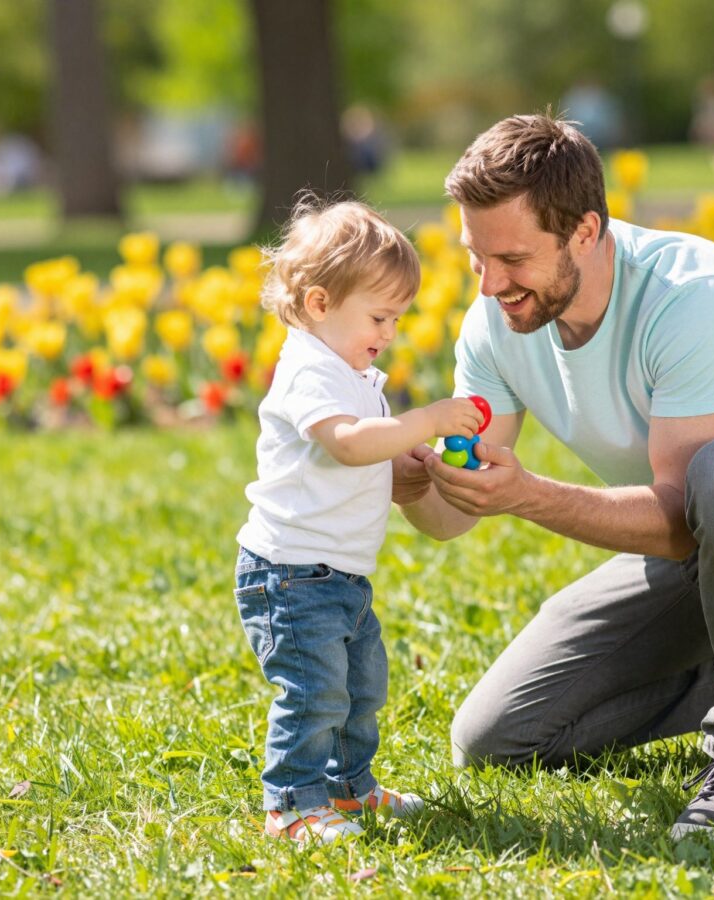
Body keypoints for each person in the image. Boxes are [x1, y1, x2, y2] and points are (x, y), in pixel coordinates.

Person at [393, 115, 714, 839]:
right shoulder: (496, 324)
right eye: (476, 256)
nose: (490, 283)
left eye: (511, 258)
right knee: (498, 738)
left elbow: (676, 514)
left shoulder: (694, 296)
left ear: (585, 231)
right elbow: (454, 516)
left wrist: (530, 494)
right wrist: (413, 482)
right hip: (699, 550)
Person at [234, 197, 484, 843]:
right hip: (290, 577)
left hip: (339, 574)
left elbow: (364, 448)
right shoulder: (307, 371)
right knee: (315, 694)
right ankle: (290, 805)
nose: (391, 331)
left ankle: (348, 791)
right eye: (379, 316)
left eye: (397, 318)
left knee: (361, 688)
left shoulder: (352, 370)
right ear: (319, 304)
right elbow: (346, 442)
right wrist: (424, 418)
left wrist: (404, 456)